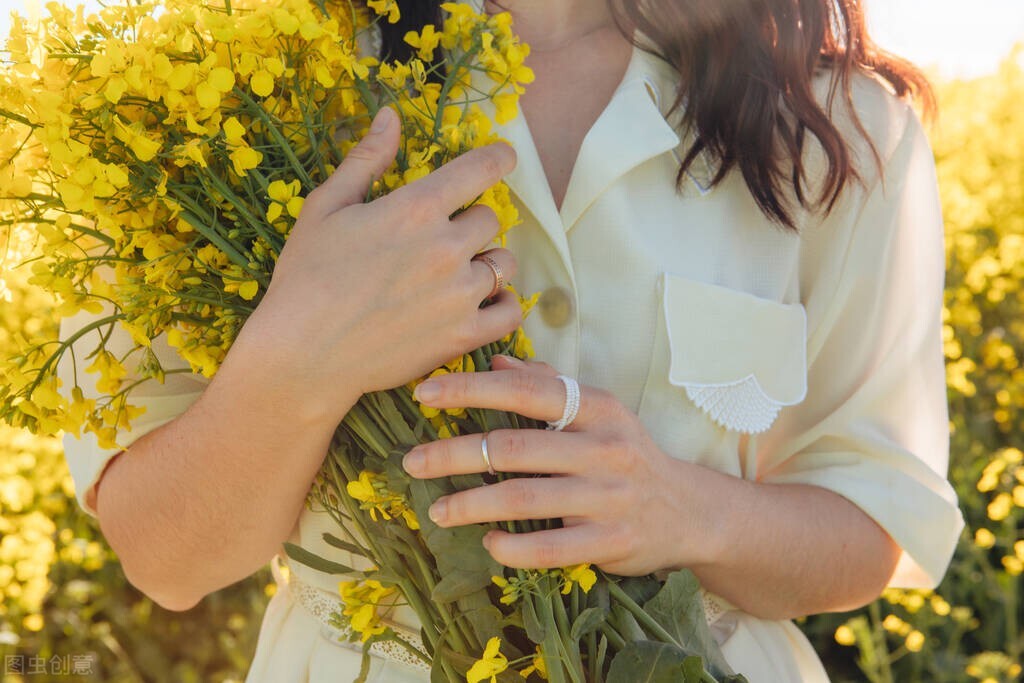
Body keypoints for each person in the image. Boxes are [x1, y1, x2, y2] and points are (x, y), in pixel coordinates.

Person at [58, 0, 965, 680]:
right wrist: (300, 357)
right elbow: (164, 554)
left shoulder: (842, 124)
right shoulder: (220, 93)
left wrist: (685, 511)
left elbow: (873, 528)